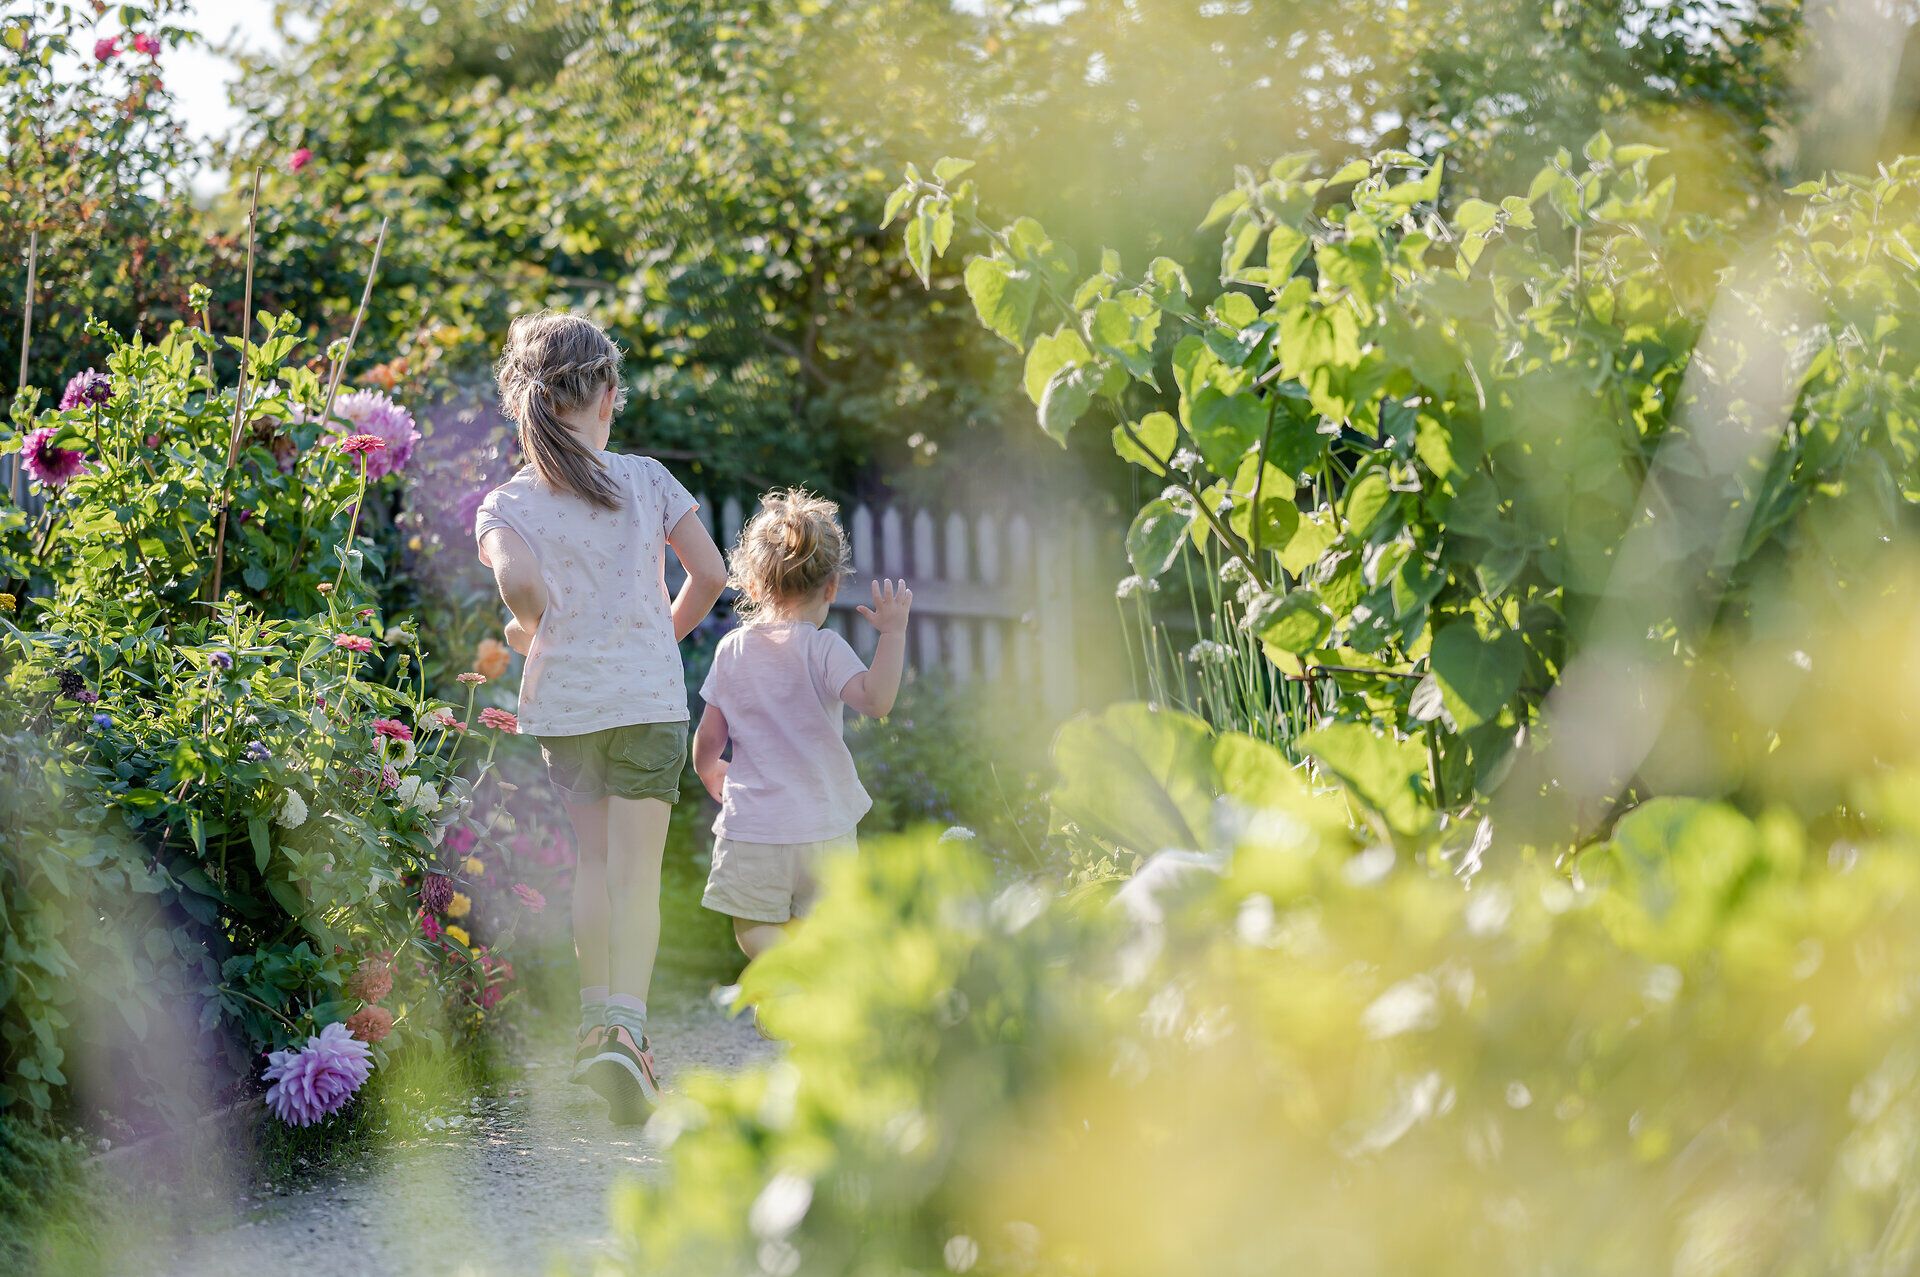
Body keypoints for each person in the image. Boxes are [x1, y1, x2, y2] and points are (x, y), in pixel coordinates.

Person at [475, 310, 726, 1123]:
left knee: (591, 865)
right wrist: (661, 632)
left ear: (528, 405)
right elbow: (713, 573)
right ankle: (630, 1034)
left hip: (569, 712)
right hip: (647, 705)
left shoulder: (508, 502)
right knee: (635, 873)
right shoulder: (649, 479)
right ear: (609, 393)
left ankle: (592, 1031)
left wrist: (532, 627)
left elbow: (521, 592)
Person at [692, 488, 912, 976]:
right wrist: (892, 635)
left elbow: (709, 738)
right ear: (831, 587)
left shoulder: (732, 649)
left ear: (751, 583)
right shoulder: (824, 649)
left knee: (752, 926)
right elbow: (877, 702)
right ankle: (809, 984)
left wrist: (711, 772)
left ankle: (784, 976)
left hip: (753, 825)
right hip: (823, 824)